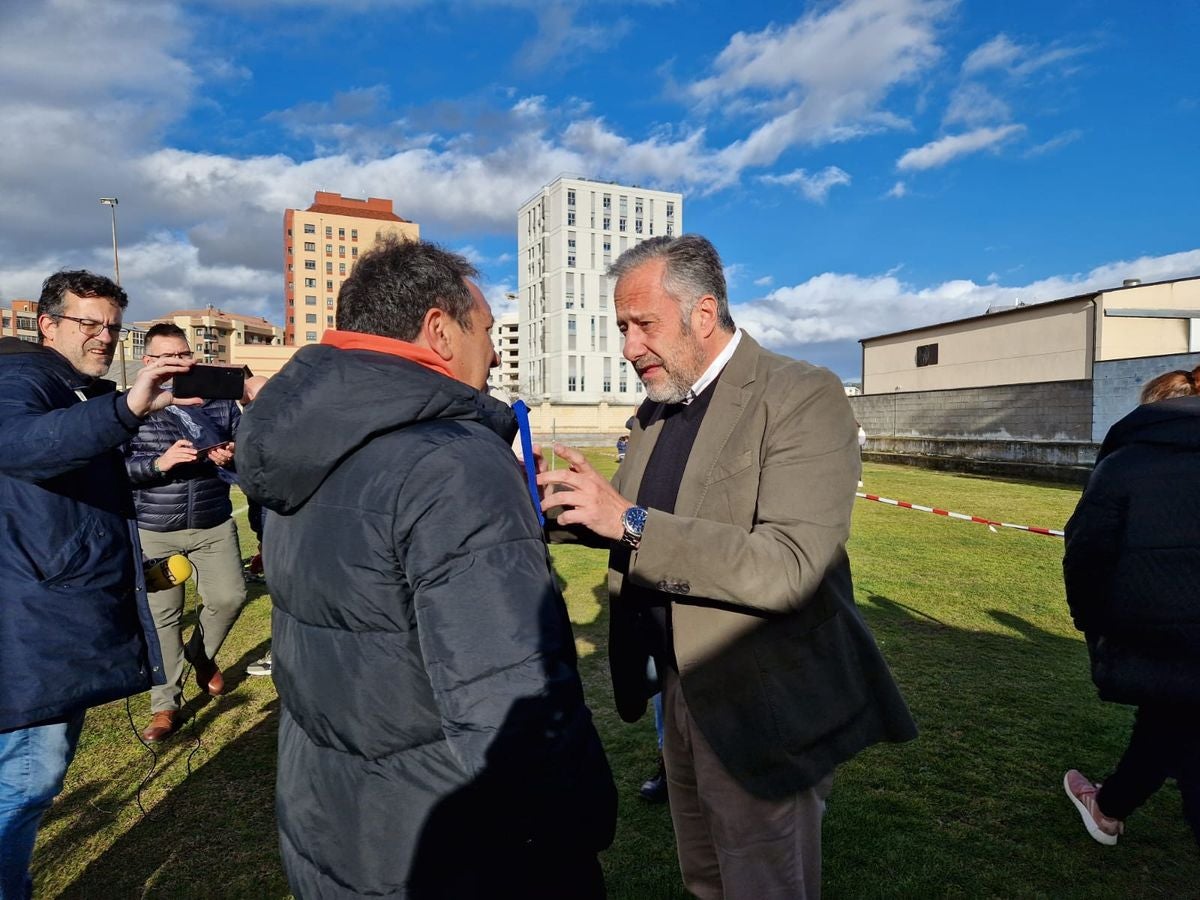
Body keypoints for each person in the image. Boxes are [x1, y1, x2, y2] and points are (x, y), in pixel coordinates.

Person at [538, 234, 917, 899]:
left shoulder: (800, 394)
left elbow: (790, 565)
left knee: (763, 886)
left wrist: (625, 521)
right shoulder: (659, 409)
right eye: (622, 327)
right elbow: (628, 519)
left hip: (761, 701)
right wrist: (553, 504)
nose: (628, 348)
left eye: (642, 325)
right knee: (707, 879)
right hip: (680, 692)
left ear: (703, 314)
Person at [237, 238, 616, 897]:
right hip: (451, 851)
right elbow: (510, 705)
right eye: (490, 332)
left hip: (339, 826)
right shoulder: (452, 461)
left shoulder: (306, 446)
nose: (496, 353)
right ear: (439, 330)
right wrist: (579, 825)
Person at [0, 270, 196, 897]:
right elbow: (25, 444)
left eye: (113, 326)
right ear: (48, 324)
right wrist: (127, 408)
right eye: (89, 323)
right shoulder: (21, 379)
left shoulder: (72, 387)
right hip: (33, 617)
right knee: (26, 780)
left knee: (31, 775)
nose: (103, 337)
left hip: (53, 608)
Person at [1062, 366, 1200, 848]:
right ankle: (1109, 806)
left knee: (1173, 729)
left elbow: (1085, 554)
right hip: (1165, 641)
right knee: (1168, 723)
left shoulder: (1124, 465)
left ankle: (1108, 807)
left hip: (1155, 636)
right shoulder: (1124, 464)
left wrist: (1093, 624)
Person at [124, 324, 248, 742]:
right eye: (167, 357)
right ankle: (165, 706)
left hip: (212, 521)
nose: (179, 363)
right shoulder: (131, 406)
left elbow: (242, 457)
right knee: (163, 620)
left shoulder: (219, 401)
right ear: (148, 362)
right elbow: (115, 470)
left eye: (184, 354)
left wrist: (229, 455)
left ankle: (200, 654)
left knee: (230, 597)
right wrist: (158, 464)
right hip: (156, 529)